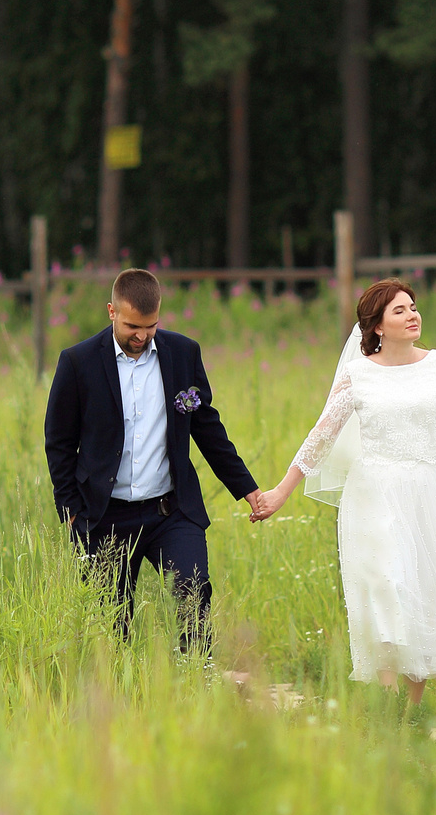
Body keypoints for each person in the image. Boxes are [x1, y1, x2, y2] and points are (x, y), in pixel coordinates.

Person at [249, 280, 436, 702]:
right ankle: (387, 708)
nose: (412, 315)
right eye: (399, 311)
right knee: (388, 587)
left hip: (431, 492)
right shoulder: (358, 374)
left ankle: (413, 707)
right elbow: (321, 436)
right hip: (375, 495)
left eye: (413, 307)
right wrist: (281, 491)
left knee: (422, 589)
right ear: (377, 326)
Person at [44, 268, 268, 644]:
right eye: (133, 325)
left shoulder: (183, 354)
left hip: (170, 511)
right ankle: (122, 694)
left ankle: (199, 678)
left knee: (193, 595)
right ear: (112, 311)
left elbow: (207, 428)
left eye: (150, 326)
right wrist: (69, 511)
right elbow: (59, 442)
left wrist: (247, 489)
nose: (142, 336)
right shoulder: (77, 362)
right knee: (112, 620)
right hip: (104, 516)